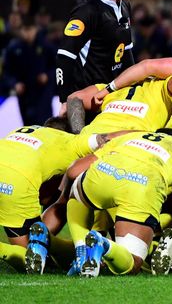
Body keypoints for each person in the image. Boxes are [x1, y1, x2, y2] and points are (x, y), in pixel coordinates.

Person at [64, 129, 172, 277]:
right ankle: (104, 245)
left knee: (77, 195)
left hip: (105, 173)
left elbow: (73, 171)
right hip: (142, 186)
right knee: (132, 263)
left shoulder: (131, 136)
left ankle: (81, 245)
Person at [0, 117, 107, 273]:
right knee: (34, 258)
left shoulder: (26, 131)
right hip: (14, 183)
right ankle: (92, 250)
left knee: (39, 247)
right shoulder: (68, 145)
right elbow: (52, 199)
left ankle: (49, 243)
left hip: (11, 173)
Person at [56, 0, 136, 113]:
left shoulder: (125, 6)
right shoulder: (87, 12)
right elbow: (64, 57)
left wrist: (135, 88)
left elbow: (126, 54)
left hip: (113, 99)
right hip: (88, 103)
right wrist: (65, 100)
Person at [2, 16, 56, 125]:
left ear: (35, 29)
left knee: (44, 124)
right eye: (24, 30)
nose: (27, 33)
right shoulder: (14, 48)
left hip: (43, 93)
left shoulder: (46, 46)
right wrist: (15, 84)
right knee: (27, 125)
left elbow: (57, 67)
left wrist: (47, 76)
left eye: (30, 29)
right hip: (24, 94)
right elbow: (7, 72)